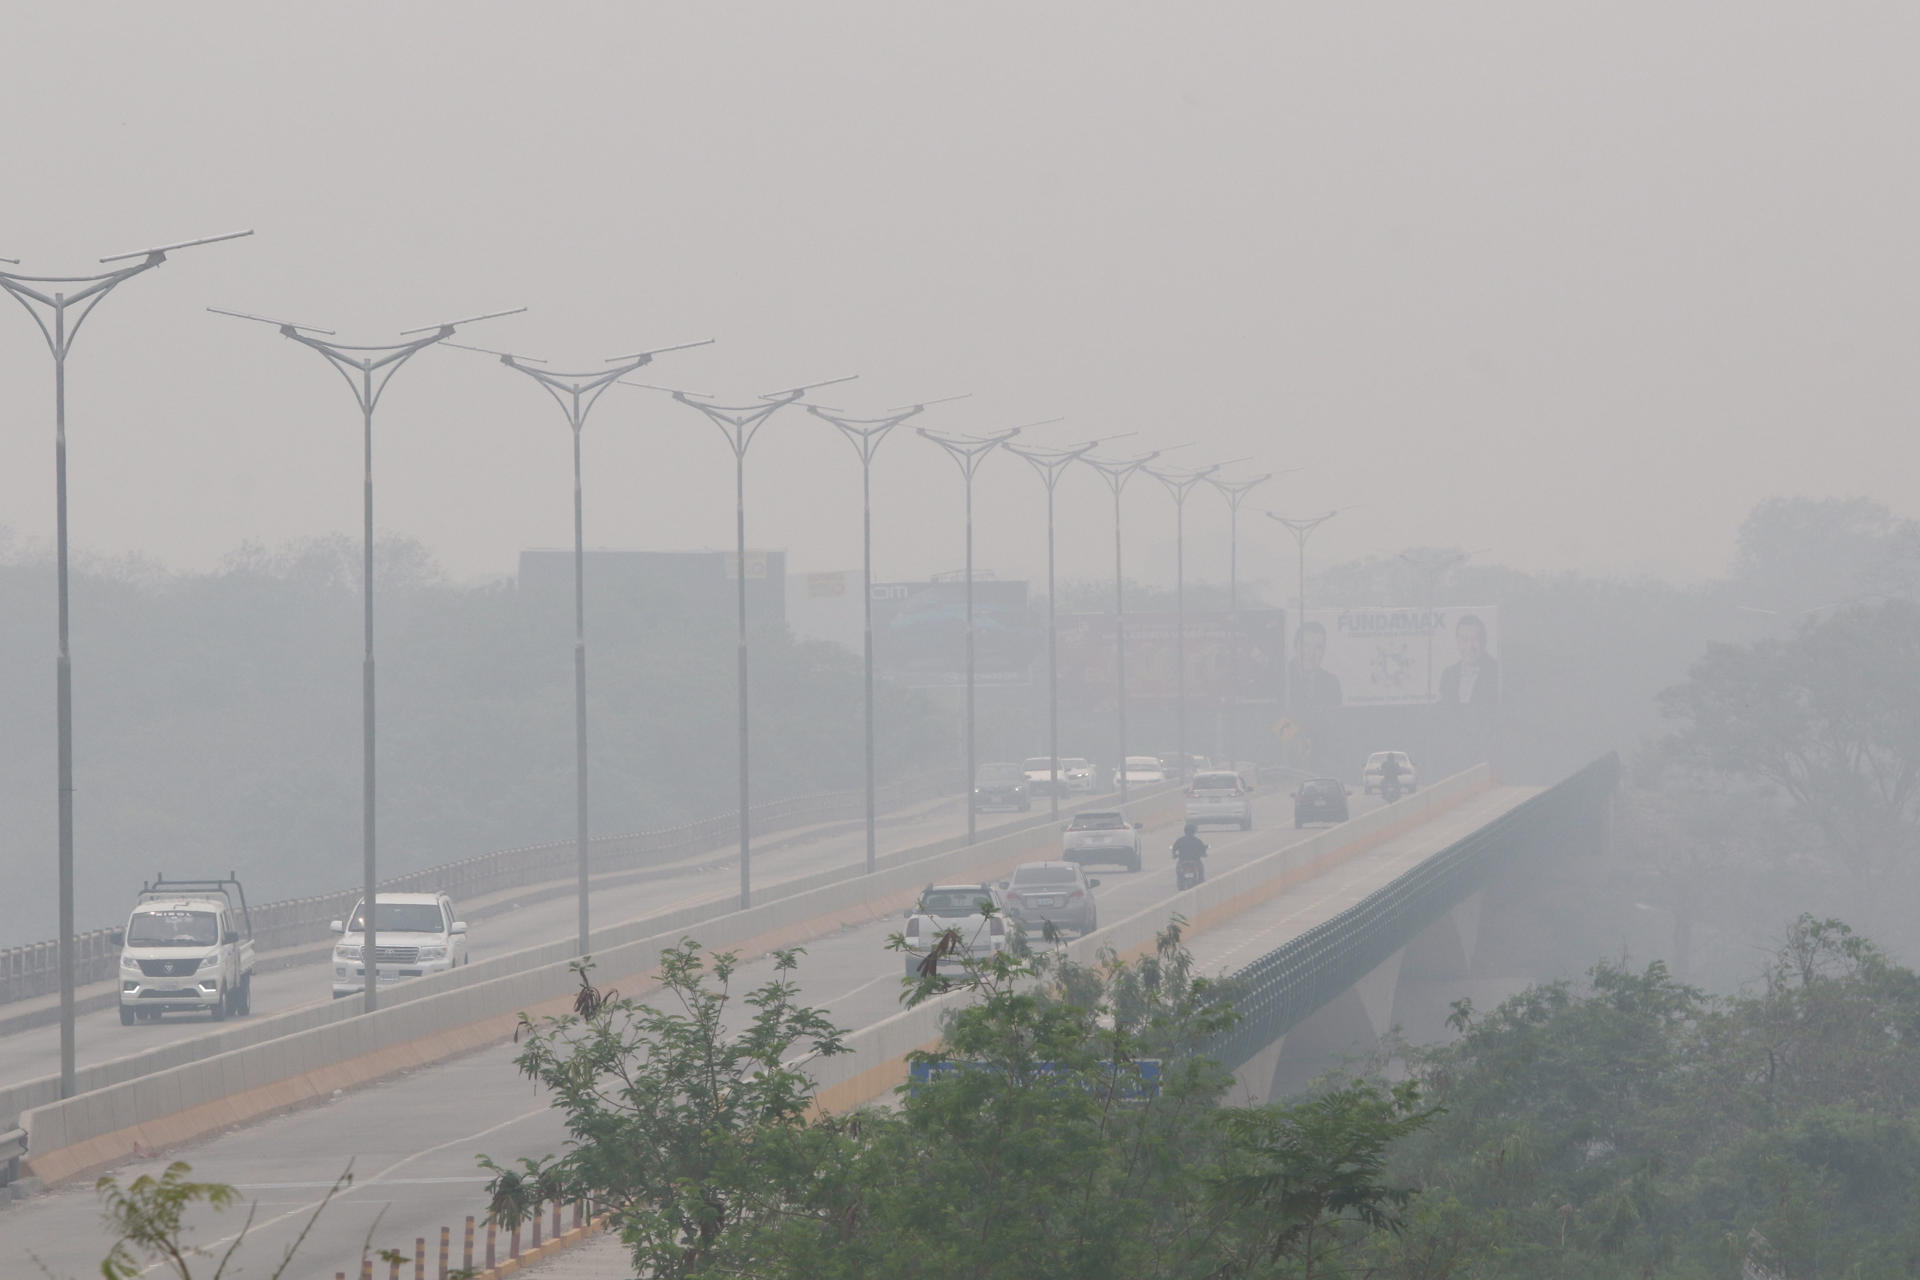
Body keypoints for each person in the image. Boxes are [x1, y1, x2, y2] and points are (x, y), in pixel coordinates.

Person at [1438, 613, 1500, 709]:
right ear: (1457, 642)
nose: (1469, 647)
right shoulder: (1448, 675)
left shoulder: (1497, 672)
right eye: (1464, 640)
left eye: (1475, 639)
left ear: (1484, 641)